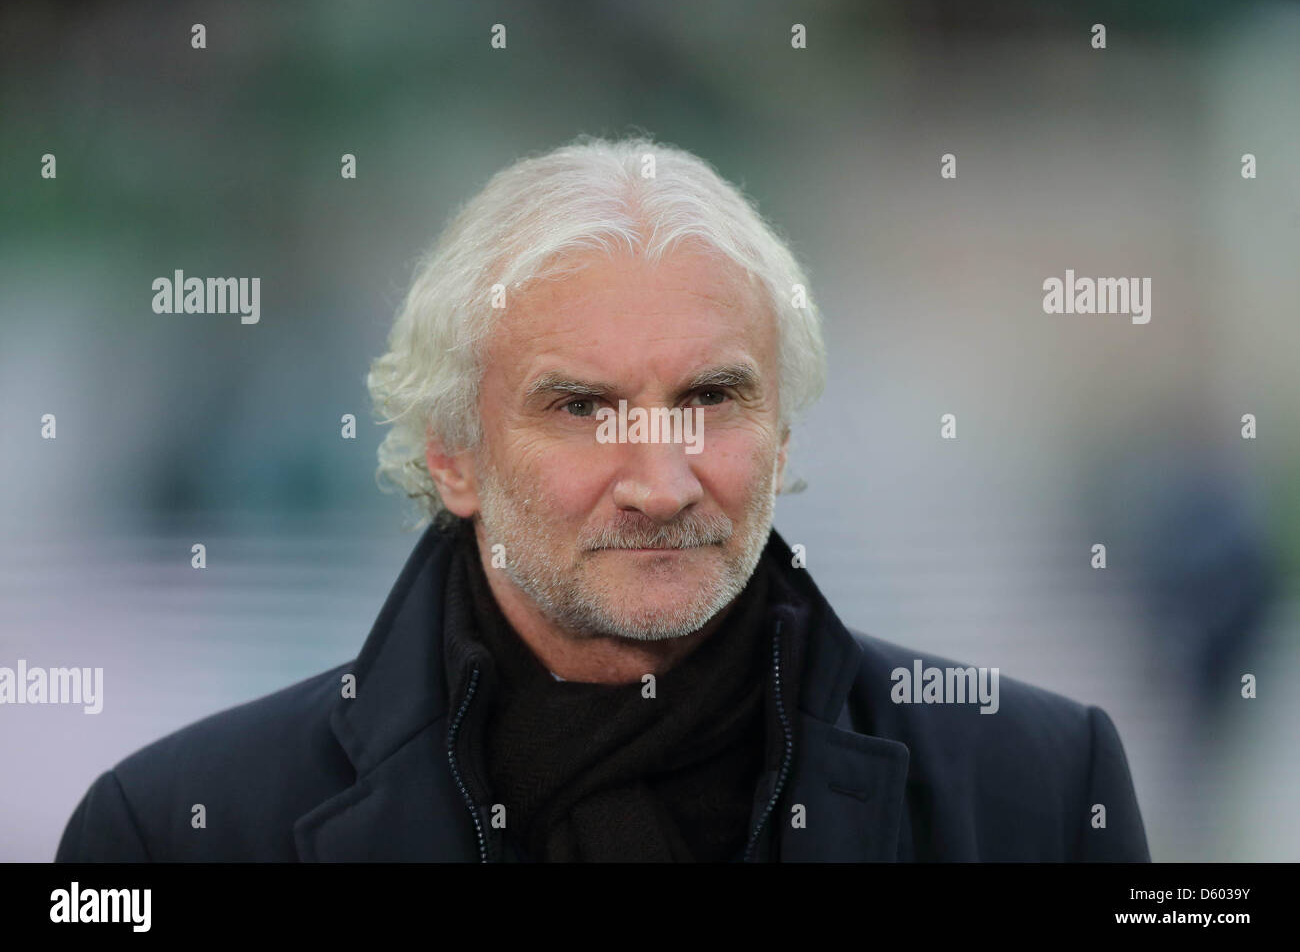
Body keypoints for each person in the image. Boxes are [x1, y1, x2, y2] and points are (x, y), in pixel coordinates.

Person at [55, 135, 1149, 862]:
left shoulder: (1038, 789)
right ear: (451, 454)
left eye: (713, 396)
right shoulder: (176, 830)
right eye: (582, 407)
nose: (662, 481)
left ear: (784, 428)